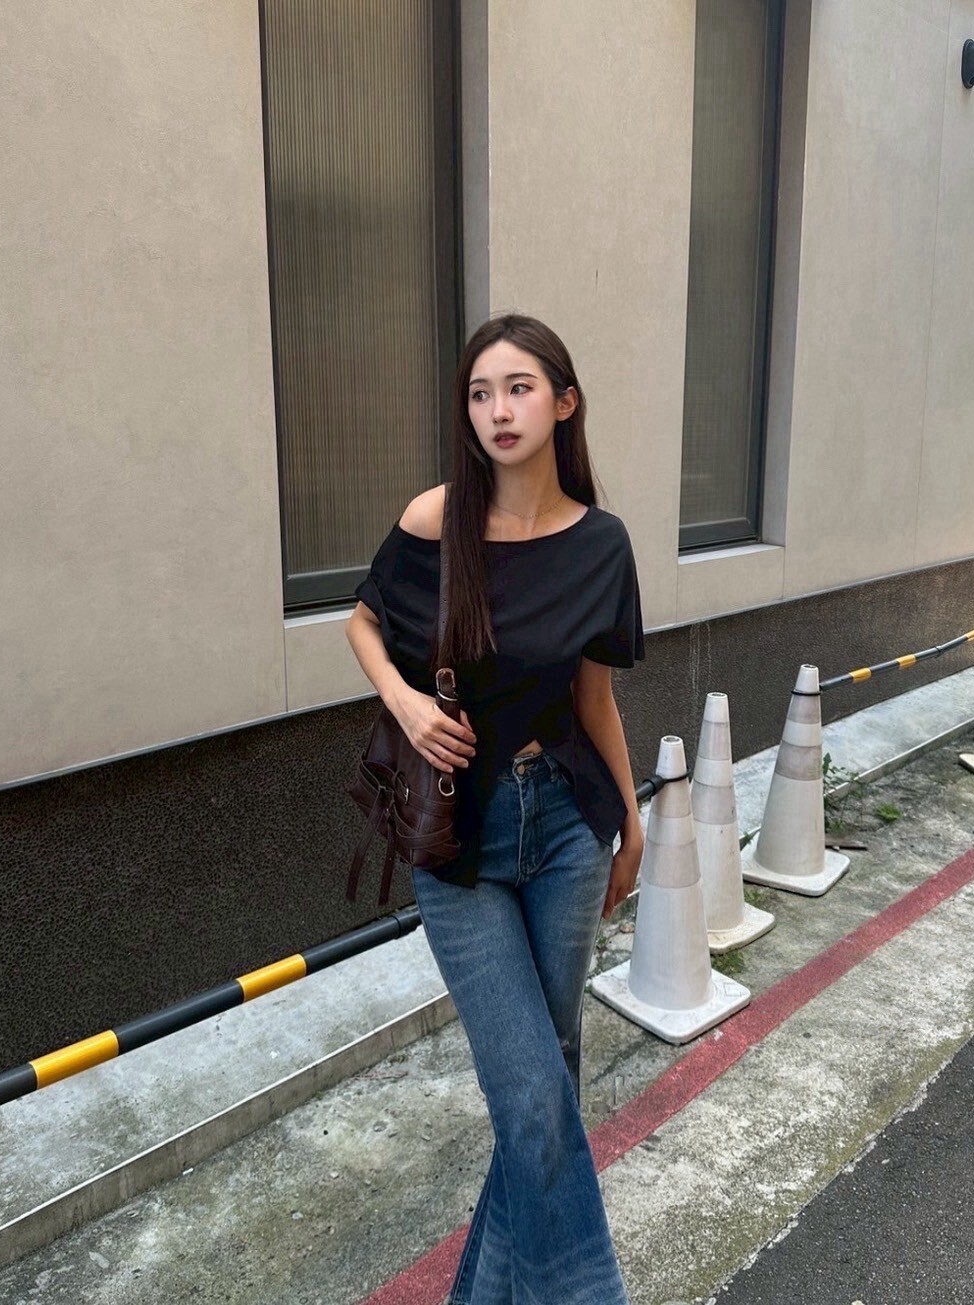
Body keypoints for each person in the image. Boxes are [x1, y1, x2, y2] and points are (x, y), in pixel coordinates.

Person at [345, 313, 644, 1304]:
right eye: (479, 393)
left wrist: (631, 821)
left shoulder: (600, 544)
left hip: (565, 826)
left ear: (563, 402)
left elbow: (594, 698)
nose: (497, 410)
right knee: (532, 1094)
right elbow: (362, 623)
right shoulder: (437, 519)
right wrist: (406, 703)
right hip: (460, 842)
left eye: (518, 388)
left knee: (543, 1091)